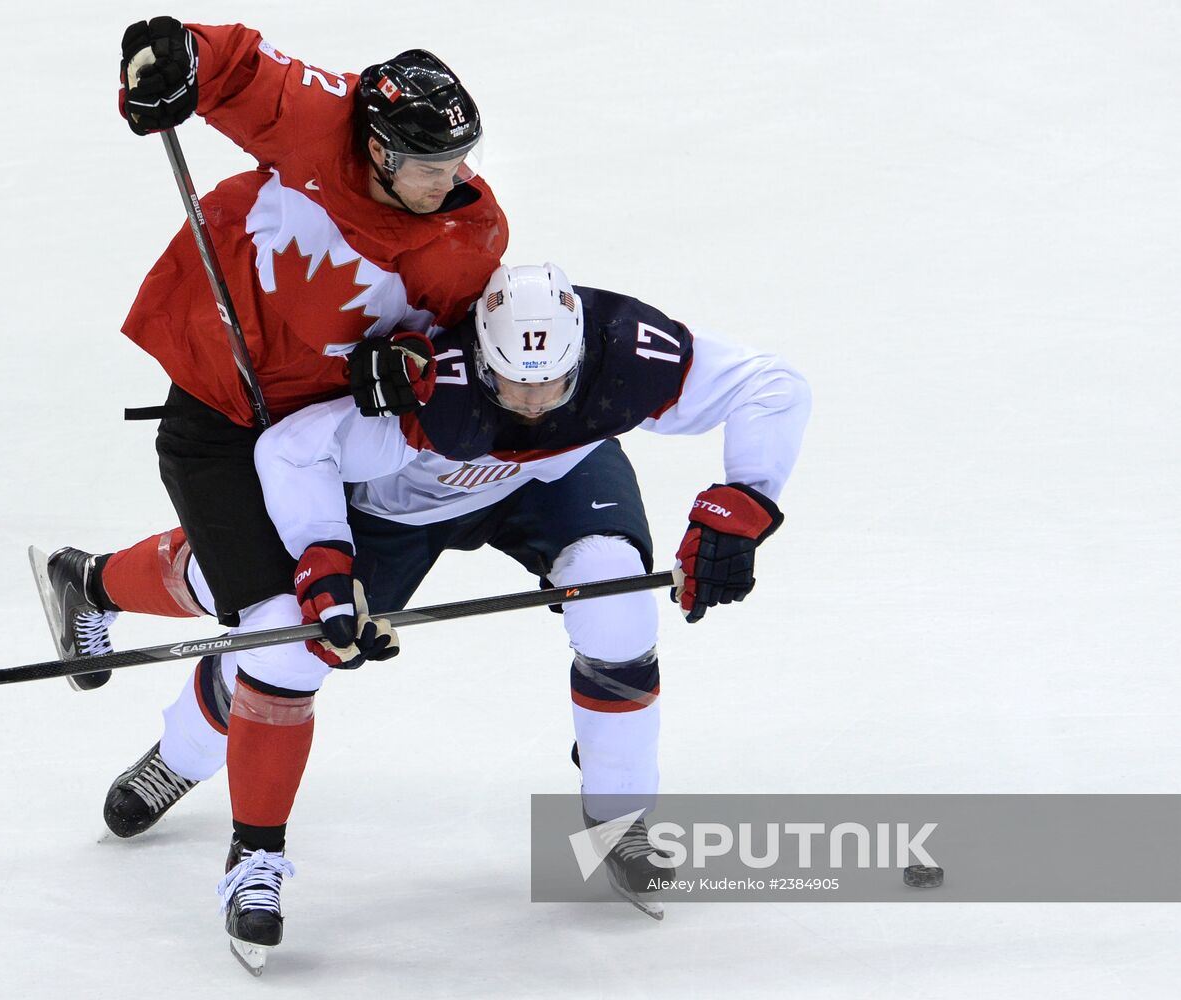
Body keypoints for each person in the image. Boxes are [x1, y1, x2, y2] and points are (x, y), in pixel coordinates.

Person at [94, 262, 810, 971]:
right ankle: (181, 758)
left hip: (551, 478)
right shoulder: (433, 381)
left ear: (585, 357)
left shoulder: (630, 350)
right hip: (397, 505)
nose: (531, 403)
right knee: (283, 645)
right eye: (512, 383)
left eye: (550, 384)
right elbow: (294, 446)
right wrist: (323, 559)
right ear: (479, 355)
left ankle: (618, 815)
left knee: (616, 595)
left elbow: (770, 385)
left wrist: (743, 505)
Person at [32, 16, 507, 801]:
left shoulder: (470, 232)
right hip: (219, 388)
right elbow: (241, 69)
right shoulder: (326, 122)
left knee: (263, 600)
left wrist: (409, 368)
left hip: (317, 426)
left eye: (461, 158)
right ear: (380, 149)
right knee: (276, 625)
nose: (450, 178)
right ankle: (229, 820)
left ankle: (92, 587)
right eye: (429, 164)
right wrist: (177, 59)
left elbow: (455, 348)